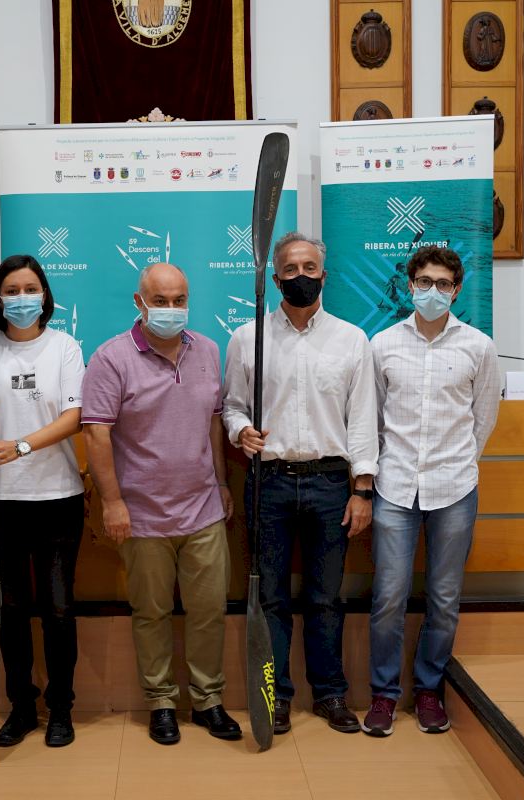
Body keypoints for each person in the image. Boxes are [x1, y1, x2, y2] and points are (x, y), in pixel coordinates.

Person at [222, 232, 378, 736]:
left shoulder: (352, 340)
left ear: (324, 276)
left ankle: (331, 693)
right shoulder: (248, 338)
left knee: (325, 597)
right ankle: (276, 696)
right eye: (290, 269)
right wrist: (240, 430)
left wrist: (362, 490)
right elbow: (232, 406)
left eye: (310, 268)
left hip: (330, 484)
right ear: (275, 278)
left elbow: (362, 420)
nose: (301, 277)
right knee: (270, 597)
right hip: (268, 482)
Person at [82, 262, 239, 745]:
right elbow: (96, 434)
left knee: (209, 610)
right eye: (160, 301)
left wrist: (222, 481)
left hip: (203, 508)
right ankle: (161, 702)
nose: (171, 309)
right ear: (139, 302)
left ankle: (208, 700)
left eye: (179, 300)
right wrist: (112, 502)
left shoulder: (207, 350)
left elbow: (213, 422)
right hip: (142, 514)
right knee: (151, 613)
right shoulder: (111, 358)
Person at [364, 245, 501, 737]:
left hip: (455, 487)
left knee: (444, 598)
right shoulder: (382, 345)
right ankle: (383, 695)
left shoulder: (479, 347)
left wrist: (458, 462)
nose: (433, 291)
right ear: (410, 285)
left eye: (444, 284)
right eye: (425, 282)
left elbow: (483, 418)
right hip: (395, 485)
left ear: (456, 290)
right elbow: (372, 418)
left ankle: (428, 689)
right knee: (388, 596)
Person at [0, 255, 86, 748]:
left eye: (31, 288)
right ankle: (21, 707)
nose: (22, 298)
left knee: (58, 609)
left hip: (56, 496)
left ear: (45, 295)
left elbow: (75, 417)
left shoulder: (65, 347)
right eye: (11, 290)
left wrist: (21, 446)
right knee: (10, 609)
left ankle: (61, 708)